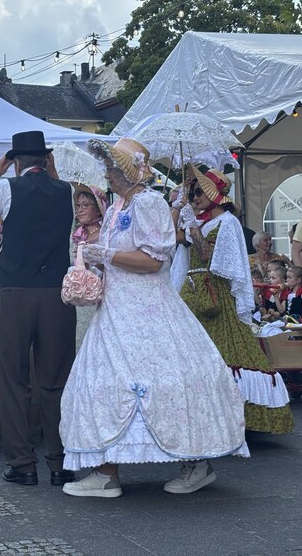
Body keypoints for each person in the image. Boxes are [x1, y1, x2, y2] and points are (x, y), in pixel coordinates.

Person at [59, 138, 247, 499]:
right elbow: (117, 256)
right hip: (115, 309)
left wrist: (106, 254)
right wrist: (94, 262)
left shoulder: (149, 203)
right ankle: (106, 471)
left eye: (112, 168)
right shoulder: (118, 206)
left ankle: (196, 463)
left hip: (149, 310)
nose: (107, 174)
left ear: (128, 171)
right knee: (103, 381)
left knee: (170, 380)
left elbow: (153, 261)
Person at [0, 130, 77, 487]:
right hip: (56, 293)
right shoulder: (66, 191)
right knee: (56, 380)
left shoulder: (7, 188)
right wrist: (54, 172)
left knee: (15, 379)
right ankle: (61, 461)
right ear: (46, 159)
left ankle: (22, 463)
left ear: (15, 162)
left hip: (17, 291)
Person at [174, 164, 294, 434]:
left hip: (216, 294)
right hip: (192, 293)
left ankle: (235, 416)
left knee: (227, 351)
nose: (194, 197)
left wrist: (193, 226)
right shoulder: (199, 221)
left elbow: (208, 256)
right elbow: (172, 238)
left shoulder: (227, 223)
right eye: (192, 192)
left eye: (199, 192)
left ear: (214, 194)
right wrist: (178, 208)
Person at [71, 183, 108, 351]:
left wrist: (91, 257)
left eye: (85, 205)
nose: (80, 210)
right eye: (78, 206)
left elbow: (111, 268)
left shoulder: (106, 235)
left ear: (98, 209)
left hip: (101, 296)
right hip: (77, 297)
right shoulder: (77, 235)